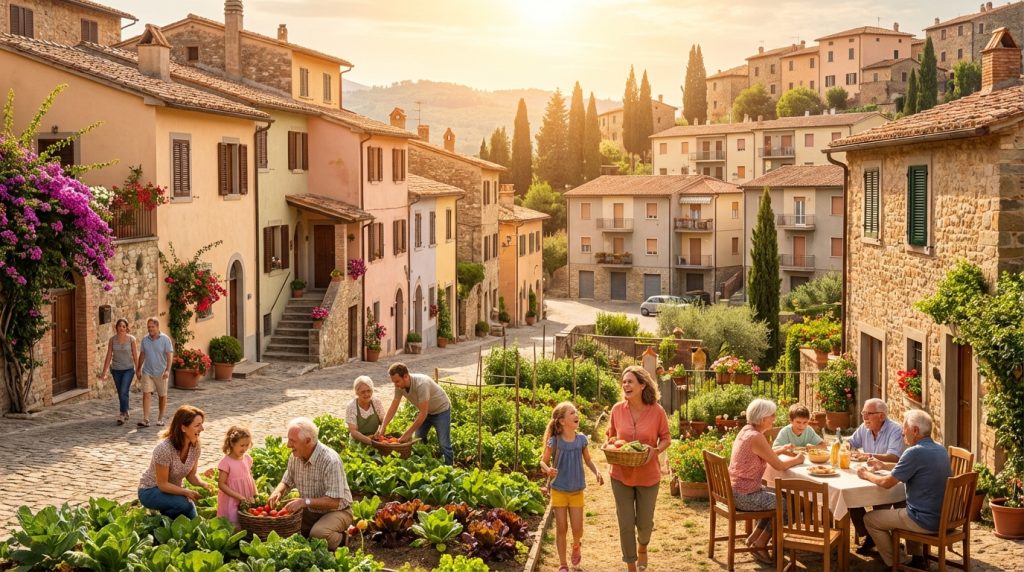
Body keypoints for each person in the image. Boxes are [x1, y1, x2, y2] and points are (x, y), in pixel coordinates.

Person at [857, 410, 949, 569]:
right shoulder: (940, 449)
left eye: (905, 427)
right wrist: (885, 465)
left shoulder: (914, 452)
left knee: (870, 519)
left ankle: (897, 562)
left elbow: (886, 483)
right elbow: (916, 467)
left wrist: (866, 475)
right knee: (901, 503)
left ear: (915, 430)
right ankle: (917, 557)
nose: (902, 432)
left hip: (924, 520)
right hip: (945, 518)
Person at [606, 366, 671, 572]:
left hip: (648, 475)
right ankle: (631, 564)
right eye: (624, 382)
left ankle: (643, 547)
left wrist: (655, 451)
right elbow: (611, 436)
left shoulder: (657, 411)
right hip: (620, 474)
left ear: (642, 385)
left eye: (630, 381)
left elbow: (666, 438)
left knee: (644, 524)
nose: (625, 385)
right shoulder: (617, 409)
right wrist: (614, 443)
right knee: (625, 523)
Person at [729, 398, 805, 564]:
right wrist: (799, 459)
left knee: (782, 498)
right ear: (763, 418)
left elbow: (764, 452)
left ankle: (755, 539)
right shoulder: (756, 437)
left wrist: (782, 449)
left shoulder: (746, 431)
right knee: (787, 505)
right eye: (772, 415)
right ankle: (761, 542)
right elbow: (779, 466)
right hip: (745, 495)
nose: (774, 419)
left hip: (738, 490)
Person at [268, 417, 353, 551]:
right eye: (288, 439)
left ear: (308, 441)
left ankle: (343, 538)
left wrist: (304, 502)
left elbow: (335, 502)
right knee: (281, 528)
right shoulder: (295, 456)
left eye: (293, 441)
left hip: (337, 511)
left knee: (318, 535)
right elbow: (286, 481)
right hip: (310, 511)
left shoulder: (330, 460)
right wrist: (277, 492)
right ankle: (313, 530)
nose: (288, 445)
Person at [539, 402, 604, 572]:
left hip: (577, 491)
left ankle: (576, 544)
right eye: (572, 413)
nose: (577, 415)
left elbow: (588, 460)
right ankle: (563, 564)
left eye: (576, 412)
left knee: (577, 529)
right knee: (562, 528)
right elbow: (542, 462)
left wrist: (597, 471)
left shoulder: (581, 439)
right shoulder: (554, 442)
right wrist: (548, 470)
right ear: (561, 421)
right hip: (559, 489)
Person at [847, 397, 905, 550]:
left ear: (881, 416)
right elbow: (851, 442)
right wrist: (845, 445)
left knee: (880, 505)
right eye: (863, 413)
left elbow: (894, 457)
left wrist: (867, 456)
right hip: (868, 475)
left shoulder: (895, 430)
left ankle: (880, 538)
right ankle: (870, 536)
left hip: (890, 478)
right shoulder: (865, 426)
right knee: (849, 497)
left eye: (869, 413)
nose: (865, 417)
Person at [137, 404, 214, 518]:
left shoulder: (195, 445)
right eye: (197, 425)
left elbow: (191, 475)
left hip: (172, 490)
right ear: (183, 428)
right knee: (185, 505)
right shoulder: (164, 449)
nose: (202, 428)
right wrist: (185, 492)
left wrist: (204, 484)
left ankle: (164, 520)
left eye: (201, 424)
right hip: (151, 490)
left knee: (190, 516)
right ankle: (161, 520)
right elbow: (162, 484)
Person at [378, 363, 453, 465]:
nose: (396, 385)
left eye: (397, 381)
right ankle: (428, 463)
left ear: (406, 376)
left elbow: (423, 413)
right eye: (393, 382)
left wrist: (407, 434)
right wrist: (383, 426)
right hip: (426, 412)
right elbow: (393, 406)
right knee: (419, 439)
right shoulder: (399, 386)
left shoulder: (422, 384)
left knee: (444, 444)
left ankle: (449, 470)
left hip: (441, 410)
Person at [99, 318, 138, 425]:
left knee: (124, 390)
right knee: (121, 392)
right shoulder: (112, 340)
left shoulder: (131, 340)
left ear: (126, 328)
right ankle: (126, 411)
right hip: (116, 370)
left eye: (124, 326)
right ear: (116, 328)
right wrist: (104, 372)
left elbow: (135, 356)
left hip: (128, 369)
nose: (121, 328)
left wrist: (138, 370)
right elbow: (108, 355)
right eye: (120, 326)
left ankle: (122, 413)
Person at [216, 425, 257, 529]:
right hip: (232, 498)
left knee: (246, 518)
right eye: (242, 445)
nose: (244, 448)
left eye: (247, 445)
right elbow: (221, 484)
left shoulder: (247, 458)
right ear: (232, 443)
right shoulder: (226, 462)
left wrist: (256, 492)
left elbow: (250, 476)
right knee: (233, 521)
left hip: (246, 495)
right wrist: (239, 497)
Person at [136, 317, 174, 428]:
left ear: (157, 327)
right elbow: (142, 355)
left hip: (161, 373)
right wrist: (138, 369)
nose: (150, 329)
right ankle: (146, 419)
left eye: (152, 327)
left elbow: (169, 356)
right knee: (146, 393)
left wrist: (167, 370)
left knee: (162, 395)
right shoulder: (145, 340)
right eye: (148, 327)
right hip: (147, 371)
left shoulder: (165, 339)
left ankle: (160, 418)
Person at [345, 376, 384, 445]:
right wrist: (371, 442)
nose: (366, 394)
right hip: (357, 443)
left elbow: (384, 422)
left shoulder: (376, 402)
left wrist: (378, 434)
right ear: (357, 393)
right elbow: (353, 431)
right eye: (363, 392)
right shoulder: (351, 406)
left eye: (369, 391)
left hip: (375, 440)